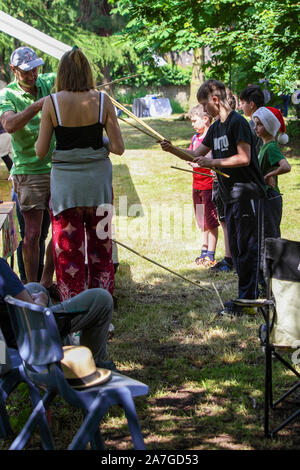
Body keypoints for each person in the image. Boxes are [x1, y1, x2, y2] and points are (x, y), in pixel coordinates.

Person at [160, 79, 266, 315]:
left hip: (247, 192)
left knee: (248, 249)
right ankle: (245, 298)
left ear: (215, 100)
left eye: (204, 104)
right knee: (237, 249)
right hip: (230, 195)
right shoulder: (216, 127)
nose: (203, 110)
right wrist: (172, 149)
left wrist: (212, 162)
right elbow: (196, 154)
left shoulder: (237, 123)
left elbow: (244, 158)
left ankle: (248, 301)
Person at [35, 47, 124, 301]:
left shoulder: (52, 102)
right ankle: (103, 318)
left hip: (66, 192)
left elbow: (41, 151)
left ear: (62, 73)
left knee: (68, 258)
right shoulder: (103, 101)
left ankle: (73, 320)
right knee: (101, 255)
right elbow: (118, 148)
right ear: (88, 72)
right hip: (98, 188)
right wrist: (101, 141)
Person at [0, 46, 55, 291]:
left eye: (36, 69)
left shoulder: (45, 81)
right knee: (32, 236)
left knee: (63, 230)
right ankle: (32, 288)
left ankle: (46, 281)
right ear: (13, 70)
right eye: (27, 71)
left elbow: (67, 73)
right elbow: (9, 124)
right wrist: (36, 106)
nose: (33, 75)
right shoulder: (7, 95)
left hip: (57, 168)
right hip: (28, 172)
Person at [0, 257, 114, 368]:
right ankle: (88, 367)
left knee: (35, 287)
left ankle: (64, 344)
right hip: (24, 346)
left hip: (4, 349)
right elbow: (35, 317)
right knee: (102, 299)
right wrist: (41, 301)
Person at [187, 105, 219, 267]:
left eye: (194, 121)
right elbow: (190, 154)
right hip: (196, 186)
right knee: (202, 221)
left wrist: (198, 164)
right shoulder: (194, 138)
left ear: (205, 119)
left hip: (208, 185)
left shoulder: (210, 138)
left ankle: (211, 255)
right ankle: (203, 250)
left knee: (211, 221)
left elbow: (211, 160)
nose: (192, 124)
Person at [252, 106, 291, 238]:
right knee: (264, 234)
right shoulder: (264, 147)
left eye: (260, 124)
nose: (255, 128)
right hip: (264, 195)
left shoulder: (271, 147)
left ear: (269, 126)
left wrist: (269, 175)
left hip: (270, 196)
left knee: (270, 235)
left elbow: (286, 166)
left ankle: (274, 259)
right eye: (255, 124)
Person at [239, 84, 265, 155]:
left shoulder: (252, 125)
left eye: (243, 103)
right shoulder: (266, 120)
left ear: (251, 104)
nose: (241, 107)